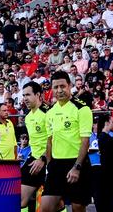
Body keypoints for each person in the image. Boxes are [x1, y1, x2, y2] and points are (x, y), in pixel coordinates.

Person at [42, 70, 93, 212]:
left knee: (77, 208)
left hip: (77, 163)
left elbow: (85, 141)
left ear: (70, 86)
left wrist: (77, 167)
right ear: (52, 89)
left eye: (63, 86)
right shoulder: (50, 112)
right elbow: (49, 141)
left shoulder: (82, 108)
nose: (59, 90)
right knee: (46, 208)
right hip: (56, 165)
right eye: (56, 87)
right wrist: (49, 164)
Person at [20, 82, 51, 212]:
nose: (25, 98)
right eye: (23, 95)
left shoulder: (48, 113)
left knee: (53, 204)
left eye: (28, 94)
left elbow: (55, 140)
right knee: (20, 200)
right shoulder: (28, 117)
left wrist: (43, 159)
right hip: (34, 160)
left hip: (49, 160)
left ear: (38, 95)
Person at [92, 113, 113, 212]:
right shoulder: (105, 139)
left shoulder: (108, 137)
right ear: (106, 123)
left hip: (107, 177)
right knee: (109, 203)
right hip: (108, 177)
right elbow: (112, 157)